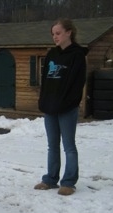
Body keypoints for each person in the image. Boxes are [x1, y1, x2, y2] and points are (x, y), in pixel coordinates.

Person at [34, 18, 88, 196]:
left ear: (68, 32)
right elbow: (46, 81)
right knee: (52, 145)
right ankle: (50, 179)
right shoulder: (52, 55)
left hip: (67, 108)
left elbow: (77, 83)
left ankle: (69, 182)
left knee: (69, 146)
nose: (55, 37)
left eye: (58, 33)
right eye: (53, 34)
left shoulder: (77, 55)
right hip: (49, 107)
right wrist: (43, 101)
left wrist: (68, 103)